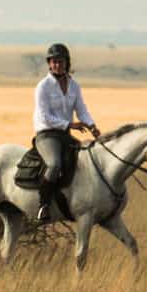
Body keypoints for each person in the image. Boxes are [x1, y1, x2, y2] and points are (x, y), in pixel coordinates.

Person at [32, 43, 101, 222]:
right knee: (54, 164)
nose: (57, 65)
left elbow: (82, 110)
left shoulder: (74, 86)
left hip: (65, 136)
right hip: (47, 135)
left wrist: (92, 126)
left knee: (86, 162)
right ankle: (43, 205)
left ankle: (78, 201)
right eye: (54, 61)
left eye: (60, 61)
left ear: (67, 63)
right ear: (49, 64)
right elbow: (45, 117)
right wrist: (70, 125)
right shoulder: (43, 86)